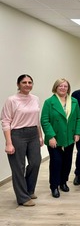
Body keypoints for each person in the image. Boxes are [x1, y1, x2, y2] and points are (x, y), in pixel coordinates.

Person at [1, 74, 43, 207]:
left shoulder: (35, 99)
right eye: (24, 82)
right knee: (18, 167)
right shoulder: (12, 100)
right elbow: (5, 121)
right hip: (17, 134)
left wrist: (40, 135)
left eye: (30, 82)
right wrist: (8, 142)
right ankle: (22, 197)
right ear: (18, 84)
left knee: (35, 162)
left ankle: (29, 190)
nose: (27, 85)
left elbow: (37, 119)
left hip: (33, 134)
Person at [41, 78, 80, 198]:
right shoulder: (49, 102)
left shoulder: (74, 101)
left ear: (68, 88)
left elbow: (79, 118)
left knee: (67, 161)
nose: (63, 88)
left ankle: (63, 182)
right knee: (56, 162)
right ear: (56, 87)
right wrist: (51, 136)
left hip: (69, 137)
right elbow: (45, 120)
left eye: (65, 86)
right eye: (60, 86)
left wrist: (77, 133)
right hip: (55, 138)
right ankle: (54, 186)